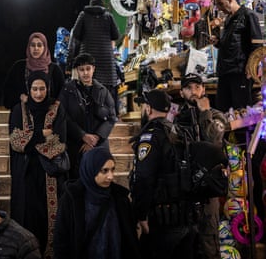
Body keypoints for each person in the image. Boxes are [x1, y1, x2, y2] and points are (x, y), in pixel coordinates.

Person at [130, 89, 198, 259]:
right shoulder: (180, 132)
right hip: (187, 217)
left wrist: (141, 214)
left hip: (162, 221)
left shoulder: (151, 136)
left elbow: (144, 178)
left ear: (149, 109)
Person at [9, 71, 67, 258]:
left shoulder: (57, 109)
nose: (39, 93)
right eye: (34, 89)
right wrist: (43, 134)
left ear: (48, 88)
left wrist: (31, 141)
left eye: (42, 89)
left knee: (49, 217)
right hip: (26, 173)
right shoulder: (19, 110)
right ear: (29, 89)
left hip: (50, 174)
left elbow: (59, 143)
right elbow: (16, 142)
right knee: (26, 215)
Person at [53, 146, 141, 259]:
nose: (110, 176)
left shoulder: (120, 199)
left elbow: (130, 239)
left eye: (112, 170)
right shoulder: (72, 199)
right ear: (91, 169)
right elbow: (61, 240)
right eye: (104, 171)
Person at [175, 73, 227, 259]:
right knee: (186, 242)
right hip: (185, 189)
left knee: (208, 242)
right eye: (189, 88)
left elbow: (214, 140)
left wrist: (204, 113)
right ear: (182, 92)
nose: (194, 91)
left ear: (204, 90)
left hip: (208, 190)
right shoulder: (177, 119)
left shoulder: (215, 115)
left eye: (197, 87)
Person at [58, 53, 116, 179]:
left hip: (99, 143)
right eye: (81, 69)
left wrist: (95, 138)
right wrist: (82, 135)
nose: (85, 73)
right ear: (77, 71)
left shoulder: (103, 91)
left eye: (88, 69)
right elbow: (63, 116)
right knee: (76, 180)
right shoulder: (67, 90)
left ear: (93, 69)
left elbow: (111, 117)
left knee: (99, 179)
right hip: (76, 143)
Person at [68, 0, 122, 114]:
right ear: (103, 4)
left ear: (91, 2)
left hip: (87, 59)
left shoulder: (83, 15)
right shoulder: (108, 16)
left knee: (87, 89)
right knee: (106, 91)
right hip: (106, 61)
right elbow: (116, 35)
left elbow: (76, 34)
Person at [210, 0, 262, 112]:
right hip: (225, 72)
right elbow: (231, 44)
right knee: (222, 109)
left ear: (230, 0)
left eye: (221, 4)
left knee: (241, 111)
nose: (220, 8)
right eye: (218, 6)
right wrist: (218, 42)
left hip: (240, 73)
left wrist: (251, 66)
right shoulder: (228, 19)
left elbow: (257, 46)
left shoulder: (249, 16)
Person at [2, 32, 65, 109]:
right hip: (22, 117)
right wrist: (20, 97)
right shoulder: (18, 67)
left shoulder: (55, 70)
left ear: (45, 47)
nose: (36, 48)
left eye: (39, 45)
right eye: (33, 45)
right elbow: (7, 96)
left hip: (49, 117)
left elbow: (63, 97)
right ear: (29, 47)